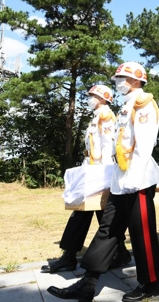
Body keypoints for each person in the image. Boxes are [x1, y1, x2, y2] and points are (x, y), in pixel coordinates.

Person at [48, 62, 159, 302]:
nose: (118, 81)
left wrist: (133, 179)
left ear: (136, 79)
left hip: (138, 180)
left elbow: (144, 146)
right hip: (121, 178)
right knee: (108, 230)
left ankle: (151, 283)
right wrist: (118, 180)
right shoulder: (126, 105)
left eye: (122, 78)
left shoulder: (144, 104)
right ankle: (88, 284)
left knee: (142, 232)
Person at [41, 85, 130, 274]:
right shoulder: (97, 117)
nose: (89, 98)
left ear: (103, 98)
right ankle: (117, 253)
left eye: (93, 96)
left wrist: (102, 175)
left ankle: (70, 256)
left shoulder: (106, 117)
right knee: (97, 215)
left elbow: (108, 148)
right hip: (92, 171)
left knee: (86, 214)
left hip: (100, 174)